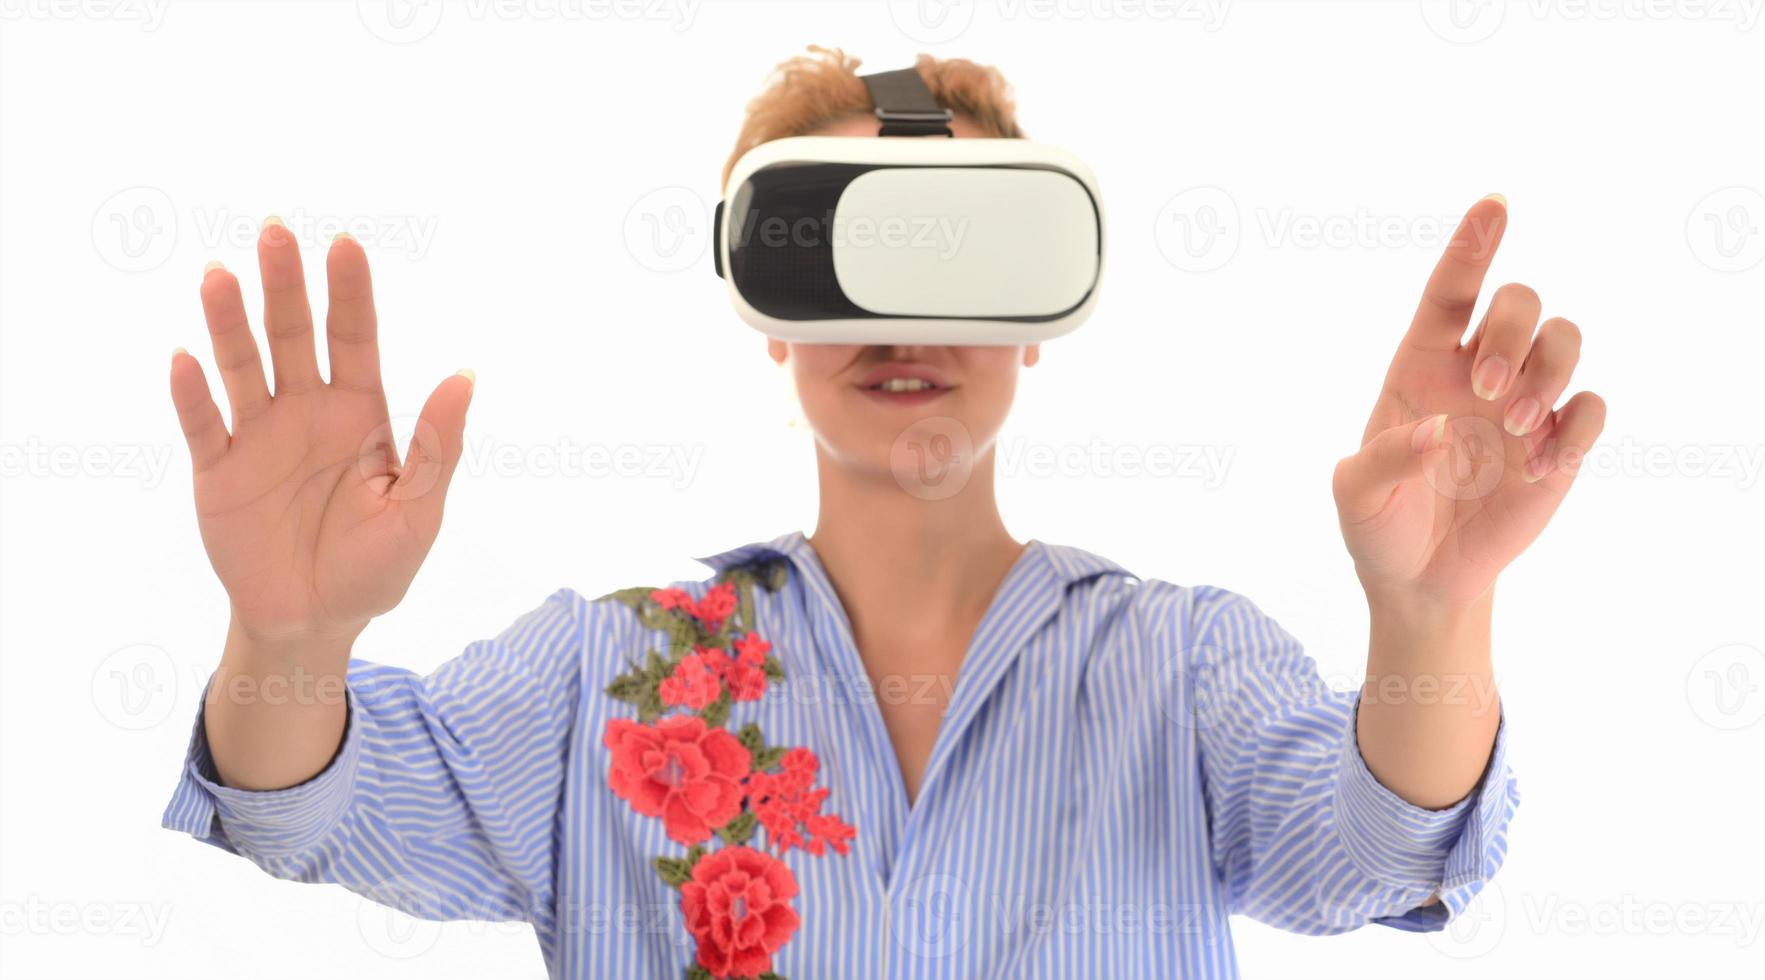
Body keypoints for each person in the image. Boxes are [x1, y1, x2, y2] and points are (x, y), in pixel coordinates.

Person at [160, 46, 1605, 980]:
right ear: (765, 314)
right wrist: (285, 635)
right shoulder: (596, 676)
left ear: (1039, 313)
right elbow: (309, 810)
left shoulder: (1182, 667)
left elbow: (1384, 851)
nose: (903, 315)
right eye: (839, 246)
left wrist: (1434, 611)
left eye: (961, 249)